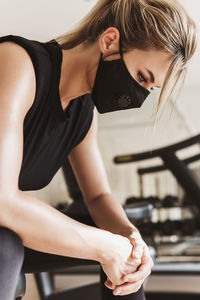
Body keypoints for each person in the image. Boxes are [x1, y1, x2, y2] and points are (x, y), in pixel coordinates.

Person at [0, 0, 197, 299]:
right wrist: (105, 248)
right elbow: (3, 201)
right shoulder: (18, 63)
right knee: (5, 245)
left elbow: (97, 196)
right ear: (109, 41)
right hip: (4, 227)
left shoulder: (84, 113)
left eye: (150, 87)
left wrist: (130, 237)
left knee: (127, 250)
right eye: (142, 77)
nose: (140, 94)